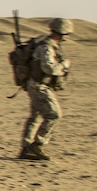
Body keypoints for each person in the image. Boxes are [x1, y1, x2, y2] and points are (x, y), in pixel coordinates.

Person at [19, 18, 72, 161]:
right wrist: (64, 65)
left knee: (35, 117)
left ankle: (26, 147)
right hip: (39, 86)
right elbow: (48, 68)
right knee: (55, 115)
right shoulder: (46, 47)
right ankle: (38, 145)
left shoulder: (48, 44)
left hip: (35, 85)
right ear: (61, 33)